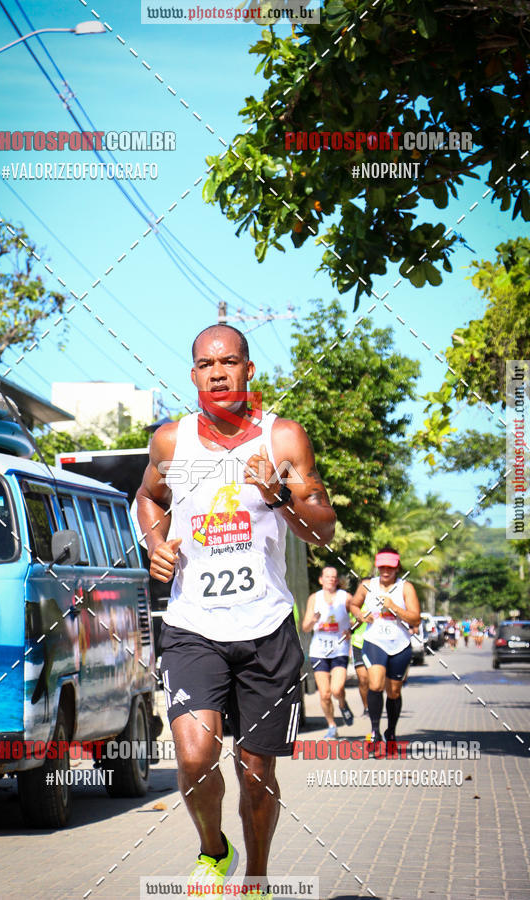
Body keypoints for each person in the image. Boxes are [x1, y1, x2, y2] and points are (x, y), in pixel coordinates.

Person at [136, 324, 336, 895]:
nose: (218, 371)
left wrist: (280, 495)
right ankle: (213, 849)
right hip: (193, 626)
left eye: (229, 361)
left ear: (249, 369)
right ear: (194, 375)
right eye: (205, 364)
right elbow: (148, 497)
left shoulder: (283, 439)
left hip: (267, 628)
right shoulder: (172, 442)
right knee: (196, 757)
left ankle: (257, 877)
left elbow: (321, 529)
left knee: (256, 773)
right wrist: (157, 545)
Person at [350, 547, 420, 745]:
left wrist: (395, 608)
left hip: (400, 644)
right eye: (382, 567)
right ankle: (374, 731)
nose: (386, 571)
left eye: (390, 567)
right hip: (375, 642)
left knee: (394, 692)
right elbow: (354, 605)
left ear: (397, 567)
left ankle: (391, 732)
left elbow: (416, 618)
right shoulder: (367, 585)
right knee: (375, 684)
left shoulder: (406, 588)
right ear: (377, 567)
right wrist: (360, 616)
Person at [302, 566, 354, 739]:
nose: (331, 579)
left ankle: (342, 703)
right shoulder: (314, 598)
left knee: (337, 689)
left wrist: (351, 629)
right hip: (319, 650)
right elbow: (305, 627)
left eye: (334, 576)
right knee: (324, 693)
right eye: (327, 576)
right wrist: (313, 620)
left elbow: (359, 616)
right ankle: (332, 725)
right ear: (321, 579)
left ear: (337, 580)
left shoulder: (345, 597)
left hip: (339, 649)